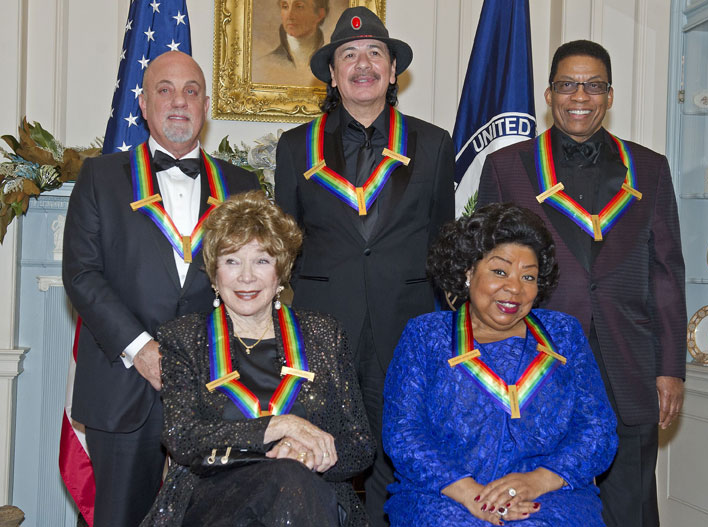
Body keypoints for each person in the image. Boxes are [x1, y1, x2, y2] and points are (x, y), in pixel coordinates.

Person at [476, 40, 686, 527]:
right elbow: (485, 274)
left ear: (610, 96)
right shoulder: (506, 168)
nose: (580, 96)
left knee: (631, 508)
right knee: (541, 507)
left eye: (593, 86)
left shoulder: (649, 169)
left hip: (629, 362)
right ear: (549, 95)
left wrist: (671, 366)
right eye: (568, 84)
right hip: (533, 365)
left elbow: (667, 272)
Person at [62, 51, 260, 526]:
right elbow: (82, 275)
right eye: (164, 90)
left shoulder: (243, 185)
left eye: (191, 90)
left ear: (206, 106)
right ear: (144, 104)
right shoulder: (100, 178)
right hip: (124, 384)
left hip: (217, 389)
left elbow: (256, 283)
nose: (178, 102)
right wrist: (143, 350)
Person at [274, 7, 455, 525]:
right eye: (349, 55)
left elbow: (444, 246)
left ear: (393, 70)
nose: (363, 64)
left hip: (408, 327)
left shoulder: (435, 144)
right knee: (315, 459)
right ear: (332, 74)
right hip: (321, 331)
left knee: (400, 462)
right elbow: (286, 249)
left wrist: (447, 334)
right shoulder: (295, 146)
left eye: (375, 52)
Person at [141, 191, 375, 526]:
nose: (246, 277)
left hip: (308, 493)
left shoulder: (324, 334)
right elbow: (184, 437)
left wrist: (308, 456)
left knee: (292, 483)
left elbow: (361, 446)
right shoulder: (184, 338)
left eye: (262, 261)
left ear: (281, 271)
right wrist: (279, 426)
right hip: (214, 499)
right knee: (288, 482)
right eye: (232, 261)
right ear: (214, 273)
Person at [383, 203, 618, 527]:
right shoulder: (425, 335)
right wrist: (471, 495)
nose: (515, 288)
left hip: (550, 497)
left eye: (529, 276)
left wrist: (538, 480)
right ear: (468, 272)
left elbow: (598, 429)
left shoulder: (564, 333)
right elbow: (404, 434)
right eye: (500, 271)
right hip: (443, 496)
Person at [255, 0, 329, 86]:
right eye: (285, 6)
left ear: (319, 14)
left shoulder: (332, 63)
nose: (289, 16)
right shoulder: (265, 63)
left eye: (299, 6)